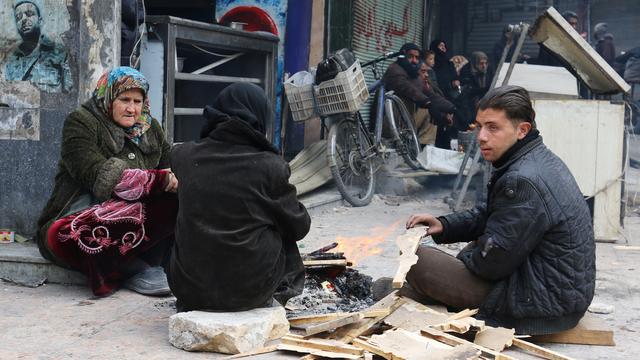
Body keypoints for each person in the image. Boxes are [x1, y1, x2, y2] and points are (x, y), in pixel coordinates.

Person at [404, 86, 595, 335]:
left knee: (418, 260)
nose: (482, 136)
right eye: (479, 126)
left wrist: (466, 258)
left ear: (522, 130)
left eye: (493, 127)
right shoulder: (534, 158)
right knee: (475, 247)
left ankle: (429, 294)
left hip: (541, 304)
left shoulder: (523, 180)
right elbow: (491, 213)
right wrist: (445, 224)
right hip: (558, 292)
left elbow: (492, 265)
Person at [168, 83, 311, 312]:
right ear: (259, 116)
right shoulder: (271, 166)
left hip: (189, 290)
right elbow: (300, 227)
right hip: (249, 293)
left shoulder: (181, 155)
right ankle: (281, 293)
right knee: (284, 227)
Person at [36, 66, 178, 297]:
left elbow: (170, 165)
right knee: (65, 235)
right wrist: (161, 180)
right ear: (109, 97)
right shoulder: (81, 123)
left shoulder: (150, 128)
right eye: (124, 99)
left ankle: (146, 262)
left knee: (183, 198)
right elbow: (98, 175)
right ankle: (130, 268)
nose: (132, 109)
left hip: (135, 220)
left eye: (137, 101)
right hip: (83, 215)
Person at [383, 43, 453, 148]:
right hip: (390, 122)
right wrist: (429, 104)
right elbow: (410, 90)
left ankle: (424, 147)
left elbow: (431, 95)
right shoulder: (395, 70)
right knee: (426, 110)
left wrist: (451, 108)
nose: (414, 61)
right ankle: (422, 146)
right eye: (410, 57)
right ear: (402, 56)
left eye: (416, 57)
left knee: (432, 108)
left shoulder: (412, 74)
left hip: (404, 121)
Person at [4, 0, 72, 92]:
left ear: (40, 20)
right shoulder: (11, 61)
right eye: (18, 17)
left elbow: (69, 91)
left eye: (29, 14)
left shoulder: (60, 54)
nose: (23, 19)